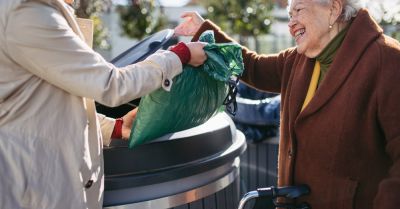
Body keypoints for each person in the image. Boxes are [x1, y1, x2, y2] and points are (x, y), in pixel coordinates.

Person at [175, 0, 400, 208]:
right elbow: (253, 66)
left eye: (299, 10)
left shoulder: (387, 60)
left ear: (333, 8)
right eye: (289, 14)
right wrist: (204, 31)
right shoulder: (298, 59)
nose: (291, 22)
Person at [0, 0, 207, 208]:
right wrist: (181, 55)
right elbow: (110, 85)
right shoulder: (28, 12)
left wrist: (114, 127)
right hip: (33, 184)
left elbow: (46, 100)